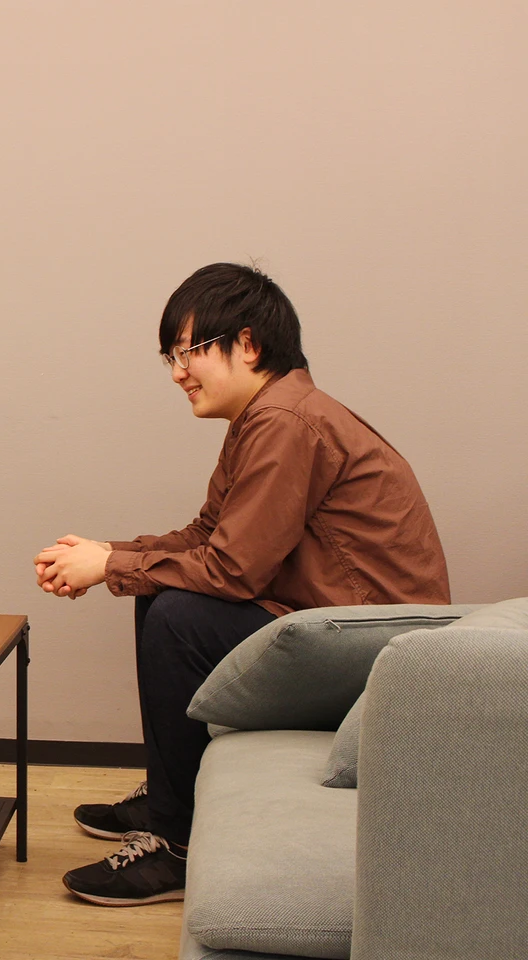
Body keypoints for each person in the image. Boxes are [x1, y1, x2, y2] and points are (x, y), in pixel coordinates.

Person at [34, 263, 450, 907]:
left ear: (248, 344)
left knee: (177, 616)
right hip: (341, 632)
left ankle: (176, 843)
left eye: (188, 352)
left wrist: (110, 567)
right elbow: (206, 536)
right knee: (162, 596)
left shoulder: (286, 422)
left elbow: (232, 570)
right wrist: (109, 554)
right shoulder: (267, 416)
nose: (177, 373)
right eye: (171, 357)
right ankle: (172, 796)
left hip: (375, 653)